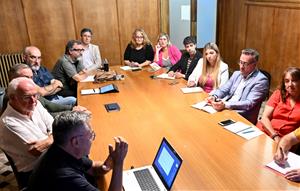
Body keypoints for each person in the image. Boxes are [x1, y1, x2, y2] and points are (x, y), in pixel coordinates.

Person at [28, 111, 128, 191]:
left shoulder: (64, 150)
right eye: (90, 136)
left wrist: (109, 163)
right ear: (76, 142)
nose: (93, 139)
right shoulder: (64, 176)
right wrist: (119, 163)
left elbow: (93, 169)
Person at [0, 77, 54, 188]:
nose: (34, 100)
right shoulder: (8, 123)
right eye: (27, 97)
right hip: (35, 172)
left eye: (35, 95)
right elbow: (38, 151)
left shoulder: (35, 104)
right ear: (12, 98)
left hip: (51, 158)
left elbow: (54, 125)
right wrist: (54, 135)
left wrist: (49, 139)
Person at [207, 48, 269, 124]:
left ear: (254, 64)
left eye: (245, 64)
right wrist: (214, 96)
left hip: (242, 117)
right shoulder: (237, 74)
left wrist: (225, 105)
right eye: (240, 62)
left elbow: (248, 103)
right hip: (226, 109)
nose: (241, 67)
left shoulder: (261, 80)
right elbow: (224, 89)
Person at [1, 63, 89, 117]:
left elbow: (48, 105)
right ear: (13, 79)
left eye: (31, 77)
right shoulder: (14, 97)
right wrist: (72, 112)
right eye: (26, 77)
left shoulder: (30, 90)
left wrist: (71, 108)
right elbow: (45, 116)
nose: (30, 80)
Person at [257, 67, 300, 142]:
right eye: (287, 81)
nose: (290, 84)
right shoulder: (278, 94)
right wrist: (275, 136)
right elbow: (264, 118)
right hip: (265, 132)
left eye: (294, 81)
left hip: (285, 141)